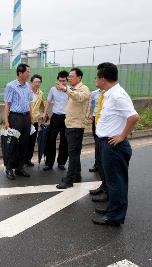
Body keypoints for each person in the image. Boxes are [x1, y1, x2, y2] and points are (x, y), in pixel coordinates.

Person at [92, 62, 139, 226]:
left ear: (103, 78)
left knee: (116, 182)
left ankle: (115, 217)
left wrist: (121, 136)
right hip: (106, 144)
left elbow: (133, 117)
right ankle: (112, 209)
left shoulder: (117, 95)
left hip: (114, 146)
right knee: (112, 181)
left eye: (97, 77)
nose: (95, 80)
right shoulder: (109, 93)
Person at [56, 68, 90, 189]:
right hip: (70, 125)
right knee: (74, 153)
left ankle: (69, 180)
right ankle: (77, 175)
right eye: (68, 77)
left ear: (79, 78)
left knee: (73, 153)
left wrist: (65, 89)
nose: (68, 79)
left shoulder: (83, 89)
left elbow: (79, 98)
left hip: (76, 126)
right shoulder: (72, 89)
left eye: (71, 76)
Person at [4, 63, 33, 180]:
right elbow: (7, 104)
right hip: (15, 117)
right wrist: (6, 121)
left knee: (24, 143)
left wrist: (31, 118)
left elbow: (29, 103)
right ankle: (9, 168)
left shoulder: (28, 86)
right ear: (20, 73)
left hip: (26, 118)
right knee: (13, 144)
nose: (29, 74)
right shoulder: (11, 86)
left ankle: (20, 168)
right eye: (27, 72)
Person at [42, 71, 69, 171]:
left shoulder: (70, 90)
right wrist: (44, 113)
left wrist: (65, 89)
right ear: (58, 80)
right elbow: (48, 101)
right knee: (51, 139)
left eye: (64, 80)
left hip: (66, 118)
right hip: (56, 117)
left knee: (64, 140)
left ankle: (61, 162)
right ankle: (49, 163)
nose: (62, 82)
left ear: (67, 81)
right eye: (60, 80)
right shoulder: (53, 89)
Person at [25, 74, 45, 166]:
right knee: (23, 140)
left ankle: (28, 159)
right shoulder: (26, 91)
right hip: (25, 120)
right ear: (31, 82)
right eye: (35, 82)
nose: (37, 84)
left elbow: (42, 105)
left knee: (32, 141)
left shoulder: (40, 93)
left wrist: (44, 114)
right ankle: (21, 159)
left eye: (39, 82)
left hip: (35, 121)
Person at [88, 88, 102, 173]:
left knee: (104, 143)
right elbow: (90, 103)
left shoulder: (110, 92)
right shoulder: (94, 93)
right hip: (96, 119)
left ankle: (104, 164)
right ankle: (97, 164)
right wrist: (90, 113)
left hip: (106, 121)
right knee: (97, 142)